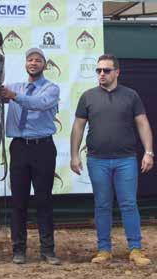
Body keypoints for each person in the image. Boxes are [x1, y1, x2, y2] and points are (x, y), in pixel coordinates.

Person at [70, 54, 153, 266]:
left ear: (117, 72)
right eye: (98, 70)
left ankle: (135, 249)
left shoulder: (131, 95)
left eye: (106, 70)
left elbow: (142, 123)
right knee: (102, 205)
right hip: (97, 160)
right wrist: (73, 155)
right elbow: (78, 126)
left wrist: (149, 152)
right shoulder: (88, 96)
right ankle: (104, 249)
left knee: (128, 204)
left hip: (126, 159)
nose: (101, 74)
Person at [0, 48, 60, 264]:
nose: (33, 63)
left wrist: (13, 96)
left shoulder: (51, 88)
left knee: (44, 200)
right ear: (25, 63)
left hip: (43, 148)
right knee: (18, 202)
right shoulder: (15, 86)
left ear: (44, 65)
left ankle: (47, 251)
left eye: (38, 60)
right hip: (19, 148)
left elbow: (38, 104)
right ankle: (18, 250)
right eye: (30, 59)